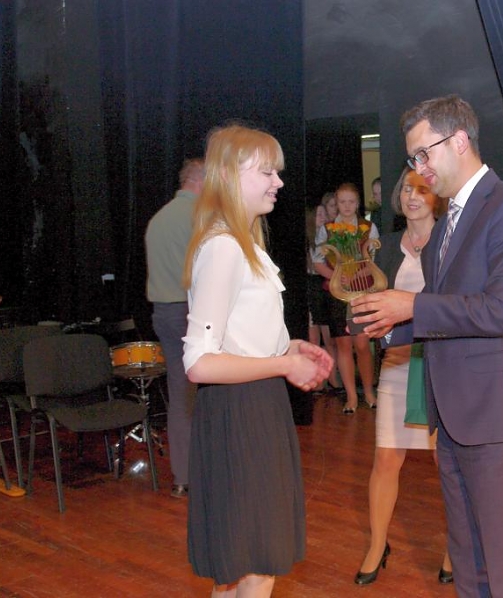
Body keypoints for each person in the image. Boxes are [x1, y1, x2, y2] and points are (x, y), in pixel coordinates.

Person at [351, 95, 503, 598]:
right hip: (454, 421)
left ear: (459, 141)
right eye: (412, 158)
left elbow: (502, 311)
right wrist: (385, 325)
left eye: (424, 154)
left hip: (498, 421)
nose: (418, 169)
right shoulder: (446, 227)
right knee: (468, 561)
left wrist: (411, 306)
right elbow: (444, 318)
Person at [181, 124, 333, 598]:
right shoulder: (224, 247)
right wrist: (282, 366)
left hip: (255, 407)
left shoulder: (244, 244)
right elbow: (199, 363)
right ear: (230, 175)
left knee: (247, 563)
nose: (278, 182)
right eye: (266, 172)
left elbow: (240, 339)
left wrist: (289, 349)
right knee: (253, 564)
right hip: (240, 412)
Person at [355, 167, 452, 586]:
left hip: (441, 366)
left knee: (446, 464)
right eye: (407, 189)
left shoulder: (451, 243)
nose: (413, 196)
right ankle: (377, 545)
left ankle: (455, 546)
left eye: (423, 189)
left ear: (437, 196)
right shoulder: (384, 248)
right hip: (396, 365)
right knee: (385, 459)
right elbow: (368, 302)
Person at [145, 157, 204, 499]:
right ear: (201, 181)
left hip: (163, 314)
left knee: (181, 393)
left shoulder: (158, 218)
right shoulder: (200, 217)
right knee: (204, 393)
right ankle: (206, 469)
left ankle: (183, 475)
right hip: (191, 314)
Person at [312, 182, 379, 414]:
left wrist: (356, 275)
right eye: (342, 202)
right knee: (343, 344)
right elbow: (317, 261)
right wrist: (337, 277)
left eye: (351, 202)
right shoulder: (327, 229)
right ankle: (351, 396)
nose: (347, 206)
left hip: (362, 291)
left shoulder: (368, 227)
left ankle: (368, 392)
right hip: (337, 294)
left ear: (358, 203)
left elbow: (374, 260)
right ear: (336, 203)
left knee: (362, 344)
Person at [306, 204, 340, 391]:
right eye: (319, 214)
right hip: (311, 288)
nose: (323, 217)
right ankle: (317, 382)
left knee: (330, 339)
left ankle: (333, 379)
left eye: (325, 214)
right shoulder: (308, 241)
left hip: (326, 287)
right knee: (313, 340)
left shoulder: (330, 238)